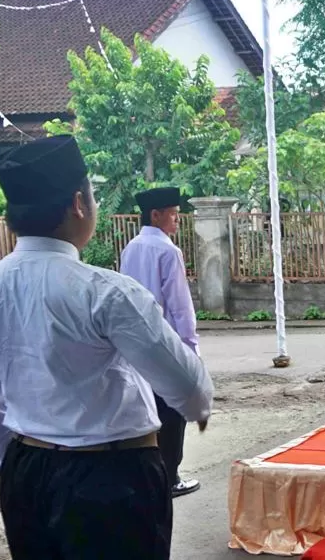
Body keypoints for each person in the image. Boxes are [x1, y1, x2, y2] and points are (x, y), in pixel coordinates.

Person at [0, 136, 214, 559]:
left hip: (25, 473)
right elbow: (190, 389)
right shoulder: (105, 293)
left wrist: (17, 464)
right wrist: (197, 409)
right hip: (111, 476)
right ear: (79, 204)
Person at [120, 187, 202, 498]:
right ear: (156, 215)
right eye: (174, 215)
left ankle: (148, 475)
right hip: (166, 346)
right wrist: (191, 350)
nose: (177, 221)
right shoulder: (168, 251)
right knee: (172, 415)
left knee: (146, 412)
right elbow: (180, 307)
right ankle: (170, 477)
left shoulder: (131, 248)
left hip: (137, 345)